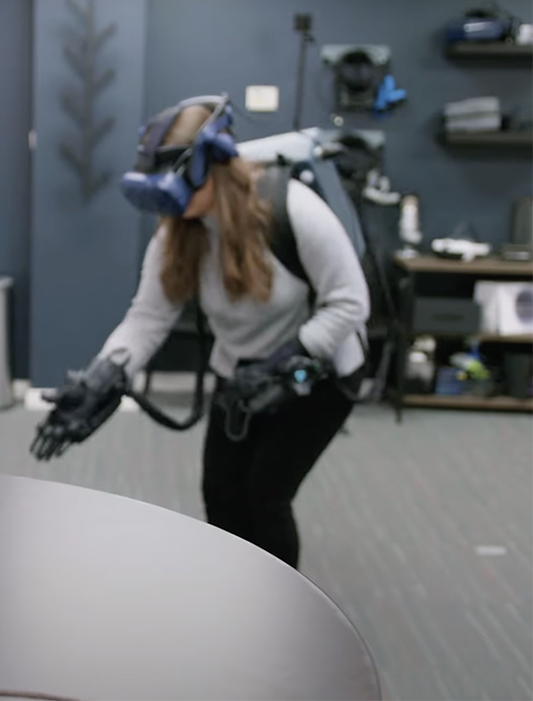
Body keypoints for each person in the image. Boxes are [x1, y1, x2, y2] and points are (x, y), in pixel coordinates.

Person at [38, 96, 369, 570]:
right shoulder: (179, 229)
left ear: (212, 161)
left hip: (318, 378)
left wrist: (289, 357)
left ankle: (285, 614)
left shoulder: (292, 208)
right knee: (220, 494)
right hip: (239, 375)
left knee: (265, 496)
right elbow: (148, 317)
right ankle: (236, 597)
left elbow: (352, 302)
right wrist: (102, 374)